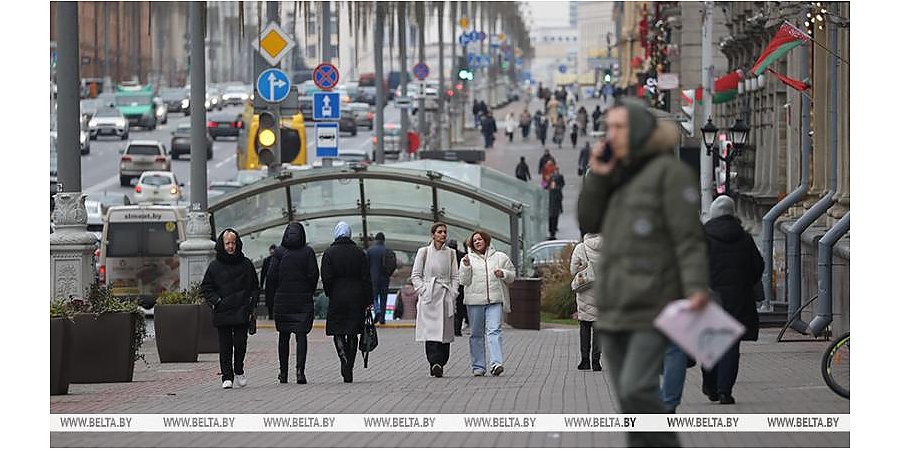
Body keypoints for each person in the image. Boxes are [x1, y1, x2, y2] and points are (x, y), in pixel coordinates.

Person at [577, 98, 710, 447]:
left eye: (620, 127)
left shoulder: (669, 174)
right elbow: (588, 222)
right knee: (629, 403)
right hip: (614, 304)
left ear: (638, 130)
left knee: (638, 388)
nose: (612, 134)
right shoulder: (611, 175)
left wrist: (696, 287)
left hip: (655, 302)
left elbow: (688, 238)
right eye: (610, 127)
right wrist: (597, 178)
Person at [701, 195, 764, 405]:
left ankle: (710, 385)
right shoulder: (744, 237)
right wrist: (744, 283)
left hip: (710, 297)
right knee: (730, 345)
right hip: (738, 298)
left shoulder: (704, 237)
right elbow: (758, 266)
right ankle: (724, 391)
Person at [201, 229, 259, 389]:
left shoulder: (246, 264)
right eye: (227, 243)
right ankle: (227, 376)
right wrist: (217, 302)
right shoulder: (214, 266)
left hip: (241, 310)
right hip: (223, 311)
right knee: (225, 345)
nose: (231, 246)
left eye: (233, 243)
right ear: (222, 244)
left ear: (237, 243)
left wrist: (251, 304)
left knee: (241, 343)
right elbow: (206, 288)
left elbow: (255, 286)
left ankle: (239, 370)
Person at [265, 222, 319, 384]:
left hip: (283, 301)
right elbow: (313, 275)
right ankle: (300, 371)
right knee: (301, 336)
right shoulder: (308, 252)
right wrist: (307, 291)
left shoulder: (279, 253)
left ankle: (283, 373)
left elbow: (271, 278)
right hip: (302, 300)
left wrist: (271, 301)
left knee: (283, 336)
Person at [459, 230, 516, 376]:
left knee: (494, 330)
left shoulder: (500, 257)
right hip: (474, 302)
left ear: (486, 240)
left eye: (479, 239)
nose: (477, 242)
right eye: (474, 240)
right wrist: (465, 267)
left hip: (495, 300)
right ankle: (478, 366)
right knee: (476, 334)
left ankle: (496, 363)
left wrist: (503, 273)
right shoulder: (467, 259)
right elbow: (463, 281)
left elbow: (512, 276)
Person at [321, 222, 373, 383]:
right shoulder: (359, 253)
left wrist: (331, 292)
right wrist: (368, 300)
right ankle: (349, 364)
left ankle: (343, 359)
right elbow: (366, 278)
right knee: (352, 331)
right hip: (356, 296)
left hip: (337, 295)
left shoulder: (329, 253)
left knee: (337, 330)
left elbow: (326, 278)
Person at [411, 222, 459, 378]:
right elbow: (415, 275)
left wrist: (453, 292)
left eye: (445, 232)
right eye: (439, 232)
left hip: (445, 295)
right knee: (431, 332)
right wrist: (423, 290)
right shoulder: (423, 252)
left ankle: (442, 361)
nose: (443, 234)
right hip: (429, 295)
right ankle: (434, 362)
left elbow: (455, 276)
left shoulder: (451, 253)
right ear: (433, 235)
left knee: (444, 332)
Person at [571, 233, 603, 371]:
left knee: (584, 326)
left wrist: (582, 267)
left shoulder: (581, 248)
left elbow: (573, 270)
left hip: (585, 290)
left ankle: (584, 361)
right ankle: (596, 361)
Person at [366, 232, 393, 324]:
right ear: (383, 240)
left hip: (373, 278)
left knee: (374, 296)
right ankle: (382, 319)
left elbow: (366, 265)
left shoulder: (370, 250)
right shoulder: (388, 250)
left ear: (375, 240)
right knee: (383, 297)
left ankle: (377, 310)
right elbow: (393, 265)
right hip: (385, 278)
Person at [447, 239, 469, 337]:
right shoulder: (461, 255)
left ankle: (451, 329)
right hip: (460, 285)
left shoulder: (446, 256)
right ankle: (457, 330)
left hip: (449, 284)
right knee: (460, 309)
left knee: (450, 308)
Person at [260, 244, 277, 320]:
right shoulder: (267, 260)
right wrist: (261, 284)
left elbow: (263, 273)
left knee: (273, 301)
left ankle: (273, 315)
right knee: (270, 301)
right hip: (270, 284)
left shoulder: (275, 260)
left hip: (274, 285)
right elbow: (263, 273)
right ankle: (271, 315)